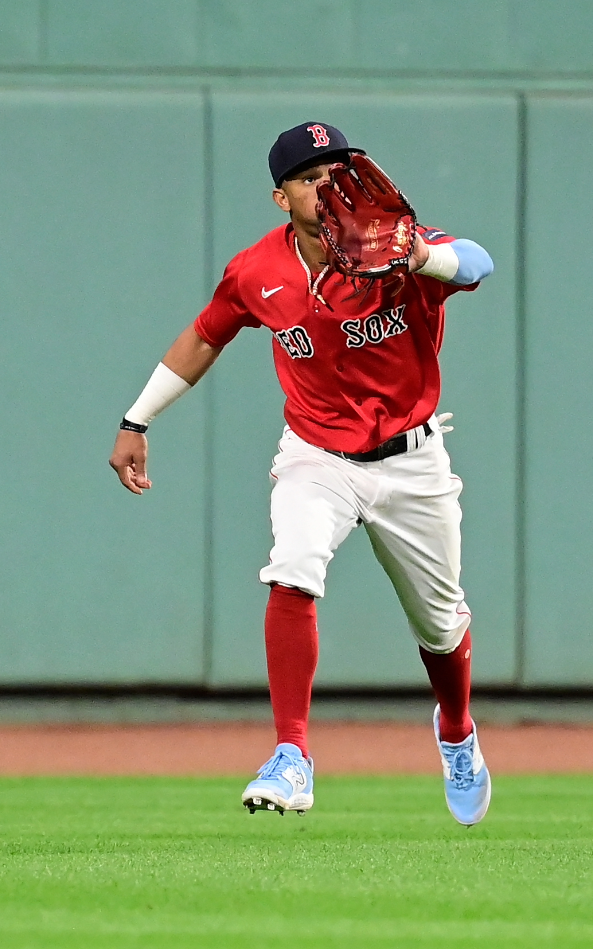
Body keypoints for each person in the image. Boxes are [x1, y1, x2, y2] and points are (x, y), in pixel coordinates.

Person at [108, 121, 496, 825]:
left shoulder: (397, 245)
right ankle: (292, 756)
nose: (327, 187)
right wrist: (137, 420)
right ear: (280, 197)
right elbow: (206, 333)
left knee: (440, 627)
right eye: (310, 178)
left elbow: (477, 263)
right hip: (317, 454)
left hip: (412, 460)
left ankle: (457, 728)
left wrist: (422, 260)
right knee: (293, 567)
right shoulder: (259, 271)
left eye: (336, 173)